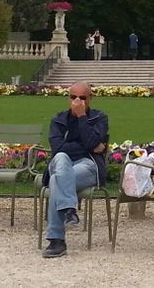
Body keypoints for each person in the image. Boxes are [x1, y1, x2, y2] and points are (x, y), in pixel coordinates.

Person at [41, 81, 109, 258]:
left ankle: (57, 241)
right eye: (73, 97)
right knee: (61, 159)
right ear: (68, 98)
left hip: (88, 165)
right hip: (62, 162)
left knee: (57, 180)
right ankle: (69, 210)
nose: (77, 101)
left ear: (90, 98)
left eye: (82, 97)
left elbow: (91, 143)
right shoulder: (58, 119)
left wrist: (81, 117)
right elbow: (58, 148)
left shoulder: (99, 118)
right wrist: (88, 146)